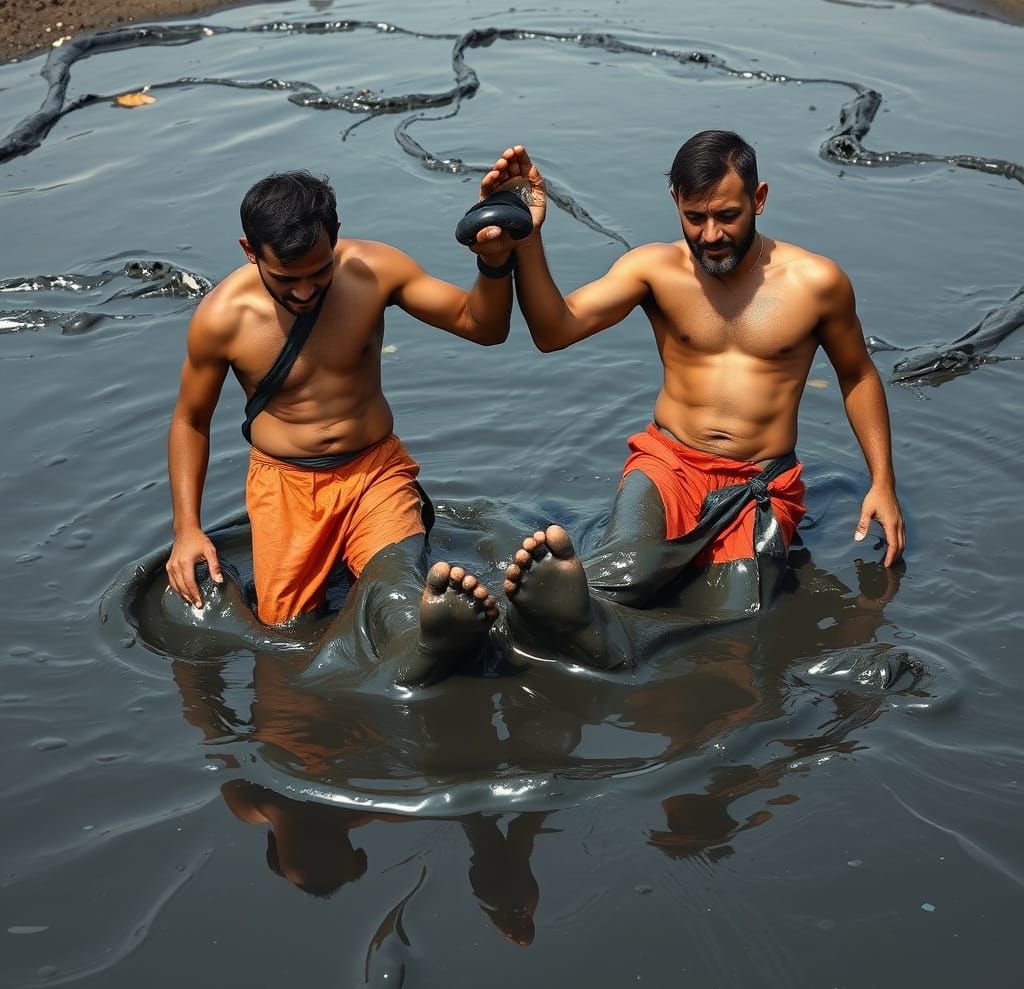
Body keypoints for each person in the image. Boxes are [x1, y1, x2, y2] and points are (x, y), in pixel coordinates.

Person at [482, 132, 905, 667]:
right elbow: (553, 329)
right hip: (667, 464)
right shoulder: (654, 270)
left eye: (727, 215)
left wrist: (882, 483)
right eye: (694, 217)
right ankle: (534, 614)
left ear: (760, 199)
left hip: (759, 482)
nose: (711, 235)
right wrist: (527, 238)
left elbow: (857, 374)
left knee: (735, 614)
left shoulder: (816, 283)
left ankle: (591, 627)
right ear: (676, 205)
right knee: (622, 570)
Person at [165, 170, 515, 681]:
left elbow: (483, 327)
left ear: (336, 235)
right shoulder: (222, 318)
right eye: (287, 279)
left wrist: (494, 262)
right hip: (285, 485)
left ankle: (433, 634)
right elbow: (190, 421)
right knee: (285, 627)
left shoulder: (375, 270)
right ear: (249, 250)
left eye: (319, 272)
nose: (305, 291)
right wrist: (187, 529)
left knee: (392, 582)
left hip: (374, 469)